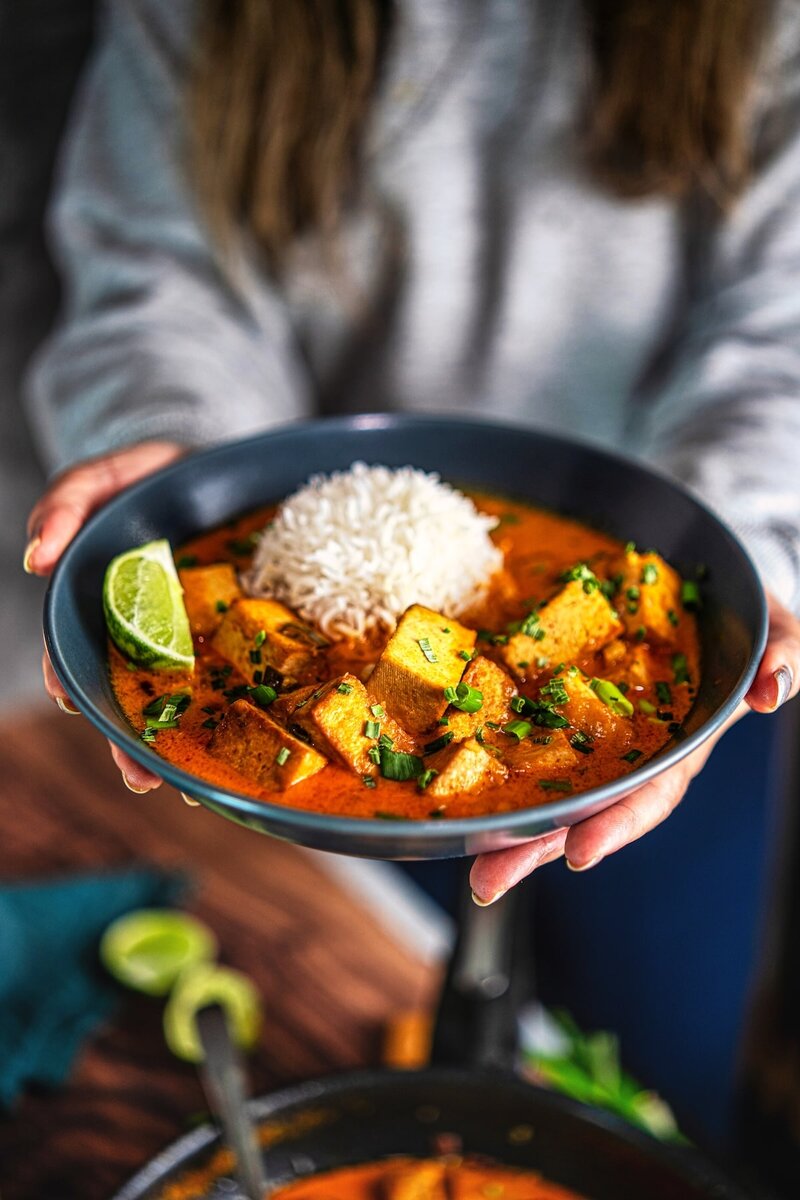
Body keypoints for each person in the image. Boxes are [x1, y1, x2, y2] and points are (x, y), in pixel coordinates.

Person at [20, 0, 800, 1141]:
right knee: (361, 1021)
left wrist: (738, 536)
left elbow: (781, 331)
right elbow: (158, 275)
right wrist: (182, 451)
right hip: (297, 554)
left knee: (655, 1083)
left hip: (691, 643)